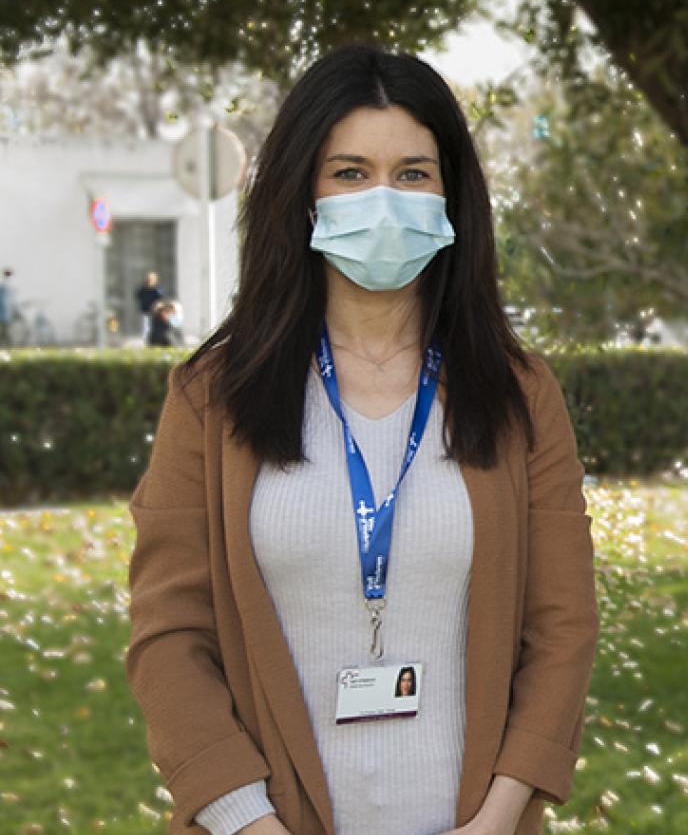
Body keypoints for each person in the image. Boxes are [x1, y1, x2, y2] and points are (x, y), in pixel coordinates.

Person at [126, 46, 599, 835]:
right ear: (302, 194)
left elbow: (563, 628)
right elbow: (170, 638)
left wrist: (498, 817)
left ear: (451, 195)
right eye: (350, 172)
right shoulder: (211, 396)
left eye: (412, 173)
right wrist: (249, 821)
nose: (383, 198)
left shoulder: (519, 394)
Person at [137, 271, 165, 337]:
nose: (151, 281)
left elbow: (160, 298)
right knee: (145, 325)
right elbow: (138, 296)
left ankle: (155, 337)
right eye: (150, 279)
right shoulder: (143, 289)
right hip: (145, 310)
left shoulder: (157, 289)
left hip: (155, 311)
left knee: (155, 325)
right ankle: (146, 338)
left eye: (153, 280)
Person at [0, 268, 14, 345]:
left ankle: (6, 343)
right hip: (3, 313)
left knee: (5, 330)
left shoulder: (8, 285)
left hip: (6, 314)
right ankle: (6, 343)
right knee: (4, 330)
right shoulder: (4, 285)